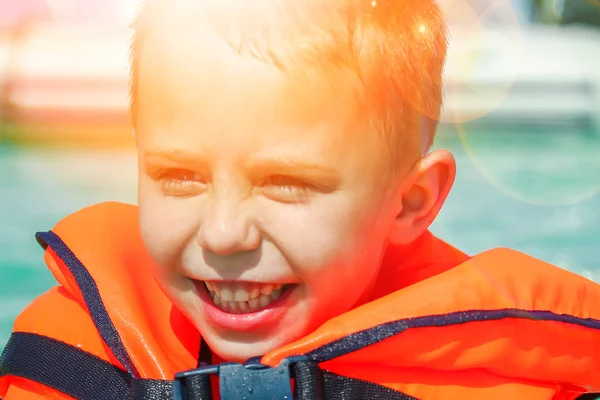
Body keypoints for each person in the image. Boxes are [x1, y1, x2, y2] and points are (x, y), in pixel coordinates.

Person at [1, 0, 599, 399]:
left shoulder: (513, 379)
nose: (222, 234)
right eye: (180, 176)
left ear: (411, 201)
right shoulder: (74, 359)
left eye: (285, 184)